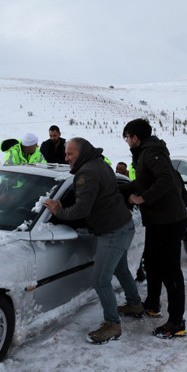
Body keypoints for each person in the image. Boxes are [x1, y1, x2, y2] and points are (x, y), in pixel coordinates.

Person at [43, 137, 142, 344]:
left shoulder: (86, 173)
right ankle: (134, 304)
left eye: (70, 154)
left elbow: (81, 209)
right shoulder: (100, 163)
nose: (66, 157)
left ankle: (112, 325)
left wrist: (59, 212)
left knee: (100, 280)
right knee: (121, 269)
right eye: (66, 153)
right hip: (122, 225)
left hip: (112, 231)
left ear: (81, 152)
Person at [121, 118, 187, 339]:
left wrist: (142, 198)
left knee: (170, 270)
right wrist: (118, 187)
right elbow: (143, 182)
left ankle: (176, 322)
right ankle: (152, 304)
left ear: (135, 138)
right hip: (158, 220)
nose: (127, 141)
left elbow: (166, 180)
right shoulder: (145, 153)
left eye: (127, 137)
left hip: (169, 221)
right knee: (152, 262)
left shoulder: (151, 153)